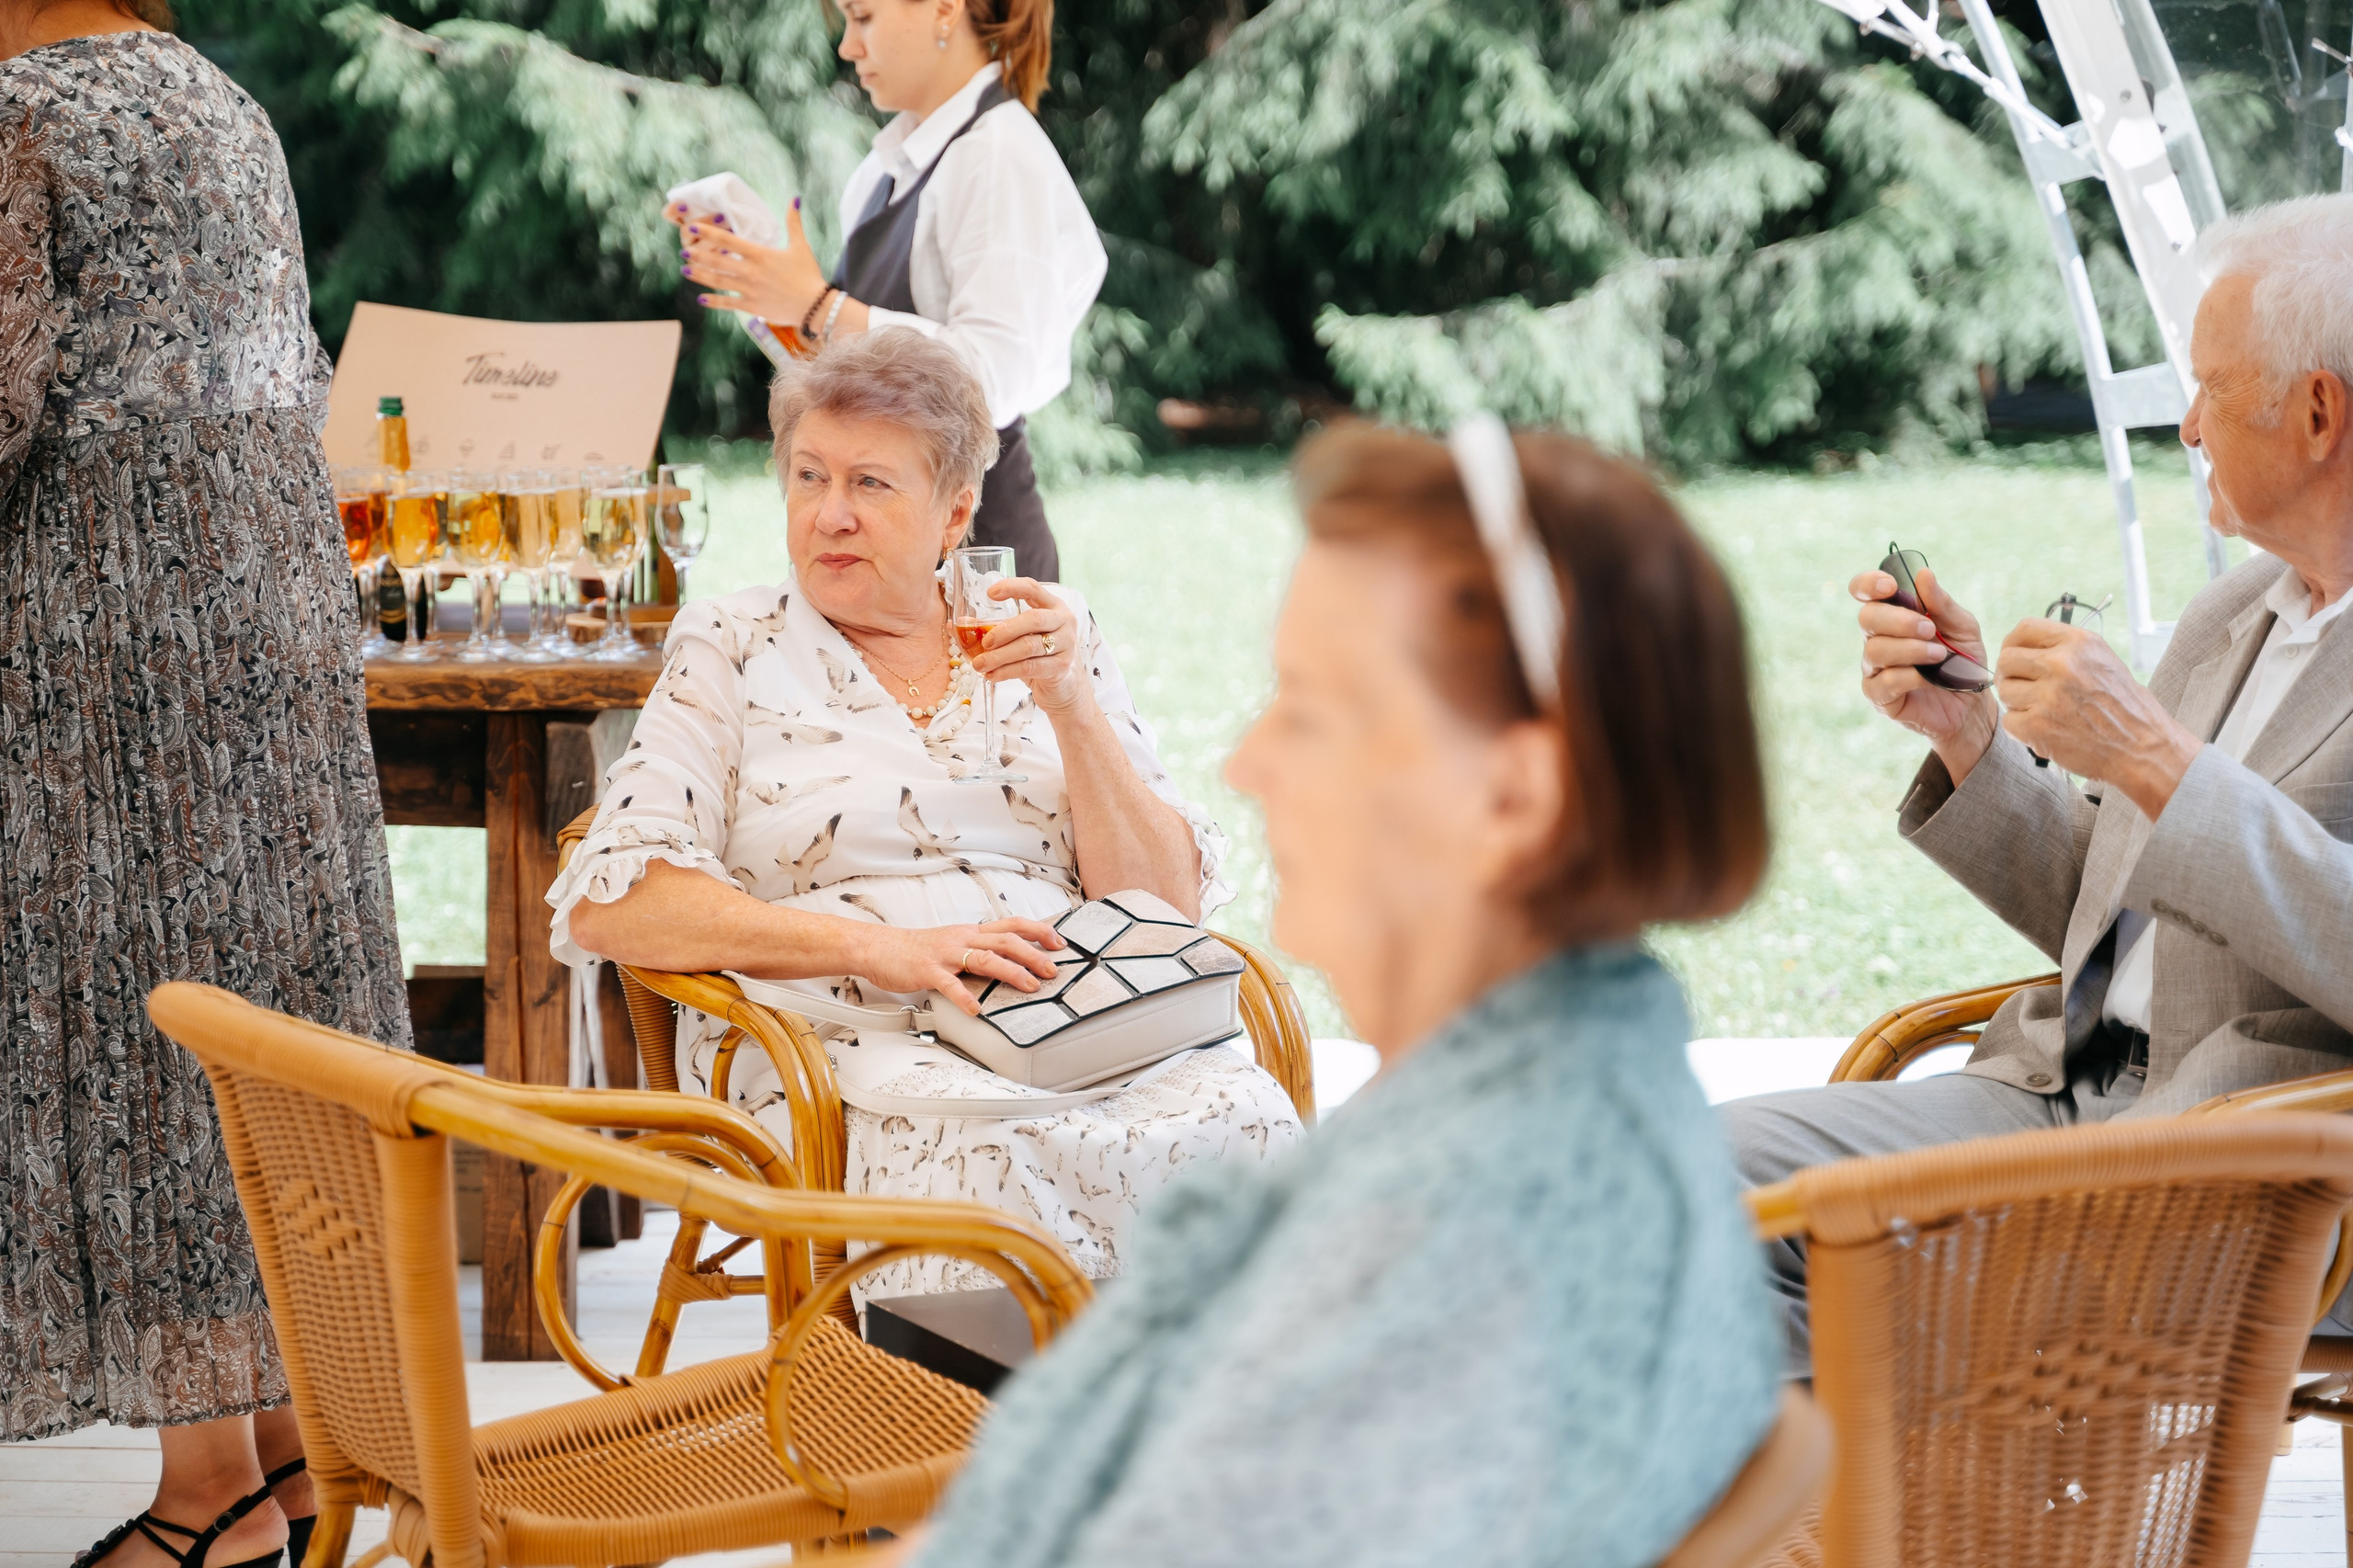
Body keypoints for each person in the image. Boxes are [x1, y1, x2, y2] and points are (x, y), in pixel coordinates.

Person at [870, 420, 1783, 1568]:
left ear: (1512, 798)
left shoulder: (1455, 1244)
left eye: (1310, 708)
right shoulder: (1563, 1111)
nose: (1250, 761)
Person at [1724, 192, 2353, 1350]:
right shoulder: (2235, 612)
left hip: (2242, 1161)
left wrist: (2159, 761)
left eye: (2209, 388)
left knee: (1760, 1265)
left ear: (2317, 410)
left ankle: (1863, 1515)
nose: (2190, 430)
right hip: (2053, 1084)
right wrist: (1968, 736)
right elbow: (2111, 920)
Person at [551, 330, 1296, 1297]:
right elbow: (618, 903)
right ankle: (972, 1437)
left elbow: (1163, 906)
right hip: (841, 1037)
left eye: (870, 485)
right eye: (809, 476)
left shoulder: (1041, 633)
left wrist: (1071, 702)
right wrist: (884, 952)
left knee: (1246, 1121)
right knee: (990, 1166)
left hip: (1073, 1020)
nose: (829, 516)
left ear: (956, 511)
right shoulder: (732, 644)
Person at [0, 1, 413, 1565]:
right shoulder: (228, 106)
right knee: (272, 1015)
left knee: (150, 1025)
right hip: (270, 624)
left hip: (108, 646)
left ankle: (208, 1498)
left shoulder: (20, 114)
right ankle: (310, 1454)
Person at [670, 0, 1098, 582]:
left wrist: (819, 306)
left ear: (945, 10)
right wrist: (770, 299)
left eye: (863, 17)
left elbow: (992, 379)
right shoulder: (881, 171)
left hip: (970, 559)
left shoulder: (997, 155)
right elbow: (854, 374)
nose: (847, 46)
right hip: (875, 543)